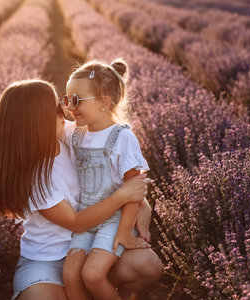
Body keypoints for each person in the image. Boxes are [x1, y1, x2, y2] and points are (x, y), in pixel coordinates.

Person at [0, 79, 161, 300]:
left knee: (147, 265)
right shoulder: (32, 177)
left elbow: (119, 169)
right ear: (34, 123)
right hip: (48, 262)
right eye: (57, 108)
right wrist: (123, 196)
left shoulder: (68, 135)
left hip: (92, 245)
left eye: (62, 103)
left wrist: (140, 203)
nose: (66, 110)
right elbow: (76, 222)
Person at [62, 58, 153, 300]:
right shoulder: (75, 132)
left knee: (92, 275)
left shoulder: (123, 138)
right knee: (70, 276)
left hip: (113, 221)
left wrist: (125, 232)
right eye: (67, 99)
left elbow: (134, 191)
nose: (70, 107)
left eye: (77, 100)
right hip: (85, 218)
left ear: (104, 102)